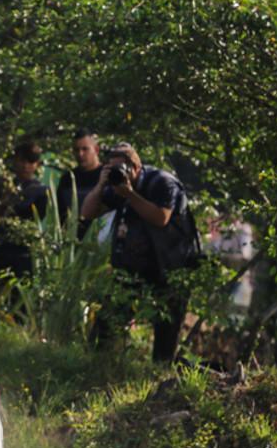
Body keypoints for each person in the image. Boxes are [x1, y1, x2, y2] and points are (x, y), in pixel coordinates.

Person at [81, 142, 198, 363]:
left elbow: (161, 218)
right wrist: (100, 185)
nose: (117, 173)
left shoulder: (163, 183)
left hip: (170, 269)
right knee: (106, 326)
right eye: (111, 168)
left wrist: (130, 194)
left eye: (121, 168)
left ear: (135, 167)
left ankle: (158, 382)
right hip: (134, 268)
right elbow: (87, 212)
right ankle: (96, 367)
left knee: (165, 338)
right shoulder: (117, 186)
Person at [0, 141, 49, 296]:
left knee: (20, 299)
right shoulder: (2, 187)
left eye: (30, 161)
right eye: (22, 160)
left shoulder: (41, 191)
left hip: (23, 252)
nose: (25, 166)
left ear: (37, 164)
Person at [55, 129, 103, 239]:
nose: (80, 154)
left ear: (96, 150)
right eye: (76, 150)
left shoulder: (106, 176)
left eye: (85, 149)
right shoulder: (67, 179)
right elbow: (59, 214)